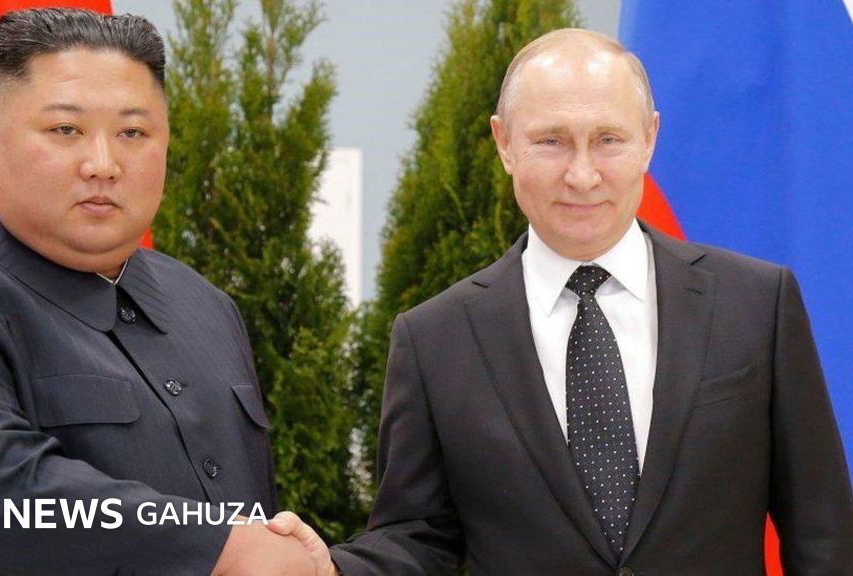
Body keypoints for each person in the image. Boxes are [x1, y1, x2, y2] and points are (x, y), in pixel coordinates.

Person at [269, 28, 853, 575]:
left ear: (649, 138)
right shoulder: (434, 339)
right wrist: (333, 568)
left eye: (608, 140)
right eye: (551, 141)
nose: (582, 174)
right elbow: (418, 536)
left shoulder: (756, 305)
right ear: (504, 143)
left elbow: (822, 532)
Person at [0, 8, 315, 576]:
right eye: (66, 130)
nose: (103, 165)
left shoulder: (206, 305)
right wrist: (228, 549)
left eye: (133, 133)